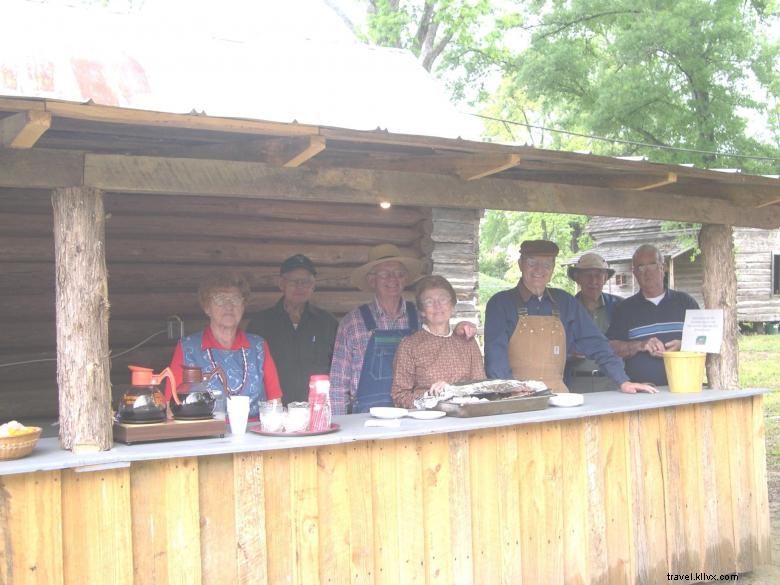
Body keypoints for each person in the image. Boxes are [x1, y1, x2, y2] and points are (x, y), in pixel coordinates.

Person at [484, 240, 656, 394]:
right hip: (517, 399)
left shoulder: (564, 302)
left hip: (558, 396)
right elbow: (495, 358)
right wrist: (511, 392)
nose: (539, 270)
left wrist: (623, 381)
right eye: (532, 262)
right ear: (521, 264)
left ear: (552, 268)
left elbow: (596, 343)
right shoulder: (500, 303)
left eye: (546, 264)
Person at [330, 244, 476, 414]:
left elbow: (444, 333)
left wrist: (461, 328)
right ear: (372, 280)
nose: (393, 279)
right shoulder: (353, 323)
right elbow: (338, 386)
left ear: (405, 279)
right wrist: (338, 425)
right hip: (367, 416)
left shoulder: (421, 315)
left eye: (399, 274)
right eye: (385, 274)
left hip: (415, 414)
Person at [166, 270, 283, 419]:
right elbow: (170, 407)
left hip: (254, 436)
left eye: (235, 299)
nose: (229, 306)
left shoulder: (258, 346)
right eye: (220, 299)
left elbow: (275, 402)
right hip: (206, 434)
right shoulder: (187, 348)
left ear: (243, 306)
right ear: (207, 307)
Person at [246, 254, 338, 405]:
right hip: (274, 411)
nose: (300, 287)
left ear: (313, 285)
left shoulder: (327, 322)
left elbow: (338, 368)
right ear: (281, 284)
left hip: (317, 410)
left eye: (306, 282)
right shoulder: (260, 324)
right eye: (294, 281)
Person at [606, 244, 700, 386]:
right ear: (634, 273)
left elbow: (706, 342)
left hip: (684, 387)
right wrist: (640, 345)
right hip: (642, 392)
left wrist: (683, 345)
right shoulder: (625, 308)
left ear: (663, 267)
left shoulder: (685, 302)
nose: (647, 272)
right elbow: (610, 348)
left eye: (652, 265)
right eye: (641, 267)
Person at [391, 275, 485, 409]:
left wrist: (452, 390)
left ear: (452, 305)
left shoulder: (467, 341)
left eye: (443, 299)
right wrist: (429, 396)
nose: (437, 306)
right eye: (429, 301)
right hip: (427, 422)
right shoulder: (410, 345)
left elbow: (480, 387)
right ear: (422, 311)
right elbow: (399, 396)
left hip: (464, 419)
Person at [566, 253, 623, 392]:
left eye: (598, 275)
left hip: (612, 383)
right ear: (578, 278)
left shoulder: (619, 306)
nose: (593, 281)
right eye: (587, 275)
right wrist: (569, 355)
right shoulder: (567, 309)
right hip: (576, 383)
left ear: (605, 278)